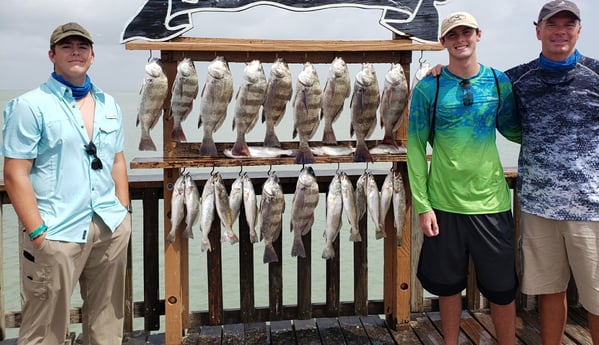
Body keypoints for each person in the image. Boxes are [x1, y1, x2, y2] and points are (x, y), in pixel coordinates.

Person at [1, 22, 131, 344]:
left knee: (107, 324)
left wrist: (124, 213)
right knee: (44, 330)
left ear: (92, 55)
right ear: (52, 55)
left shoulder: (110, 104)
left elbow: (117, 159)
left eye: (82, 46)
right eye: (67, 46)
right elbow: (15, 172)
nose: (76, 52)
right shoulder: (29, 106)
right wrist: (37, 233)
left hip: (108, 227)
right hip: (55, 232)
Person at [407, 12, 521, 345]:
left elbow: (515, 130)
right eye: (453, 34)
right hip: (444, 205)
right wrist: (422, 204)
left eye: (466, 32)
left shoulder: (499, 82)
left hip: (492, 203)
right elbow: (414, 147)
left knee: (502, 290)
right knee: (447, 286)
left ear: (478, 35)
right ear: (443, 42)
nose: (461, 39)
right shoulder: (430, 86)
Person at [505, 1, 599, 344]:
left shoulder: (597, 73)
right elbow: (479, 87)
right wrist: (437, 71)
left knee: (597, 299)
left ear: (578, 30)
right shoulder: (516, 79)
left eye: (568, 24)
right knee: (548, 291)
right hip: (537, 207)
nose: (560, 31)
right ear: (538, 31)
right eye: (552, 24)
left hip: (592, 209)